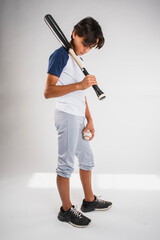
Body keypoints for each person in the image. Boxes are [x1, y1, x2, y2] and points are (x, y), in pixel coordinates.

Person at [44, 17, 112, 228]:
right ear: (74, 33)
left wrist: (89, 119)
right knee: (65, 165)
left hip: (79, 116)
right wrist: (79, 85)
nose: (85, 50)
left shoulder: (79, 58)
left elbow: (82, 96)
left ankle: (89, 201)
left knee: (86, 159)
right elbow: (48, 92)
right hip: (65, 116)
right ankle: (65, 210)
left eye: (90, 47)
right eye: (84, 43)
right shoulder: (60, 56)